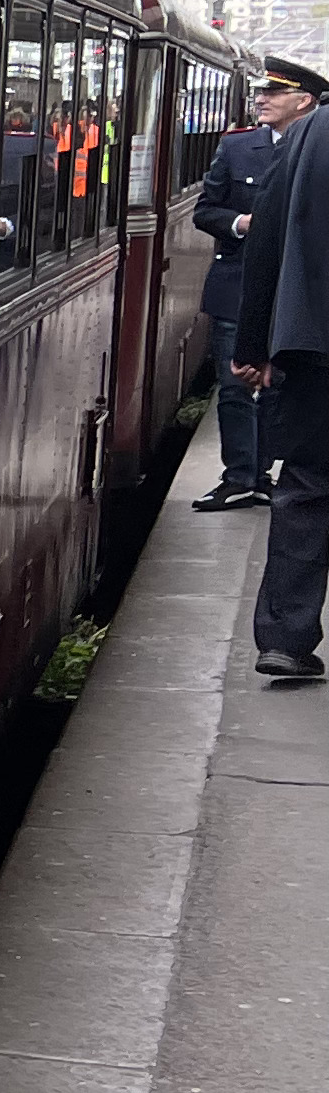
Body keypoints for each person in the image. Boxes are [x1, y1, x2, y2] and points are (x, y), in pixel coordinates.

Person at [230, 93, 329, 680]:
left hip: (314, 347)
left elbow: (265, 241)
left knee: (307, 486)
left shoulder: (308, 136)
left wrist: (253, 346)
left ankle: (286, 640)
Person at [193, 61, 316, 509]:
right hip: (238, 283)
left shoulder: (314, 149)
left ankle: (269, 473)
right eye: (261, 92)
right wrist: (241, 223)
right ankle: (240, 476)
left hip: (295, 289)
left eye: (274, 93)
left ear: (304, 100)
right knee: (234, 386)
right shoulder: (237, 147)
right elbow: (206, 210)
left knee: (281, 387)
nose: (261, 99)